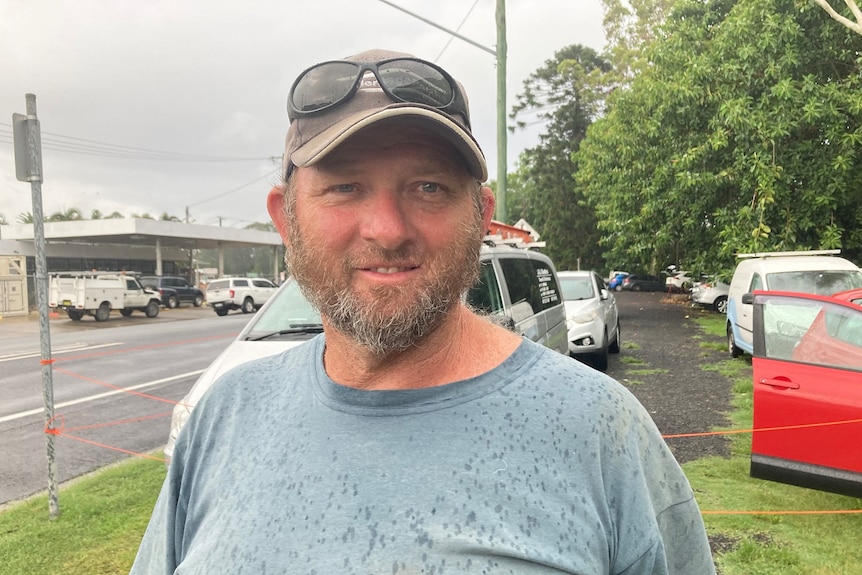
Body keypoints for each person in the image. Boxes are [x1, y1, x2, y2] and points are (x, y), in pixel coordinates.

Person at [130, 48, 716, 574]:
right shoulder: (224, 416)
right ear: (286, 218)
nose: (387, 231)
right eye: (345, 187)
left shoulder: (600, 430)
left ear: (481, 216)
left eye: (428, 187)